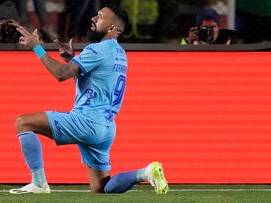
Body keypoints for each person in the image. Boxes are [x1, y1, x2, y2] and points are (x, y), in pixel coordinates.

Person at [9, 4, 169, 194]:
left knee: (23, 123)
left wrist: (37, 47)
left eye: (100, 16)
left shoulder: (97, 49)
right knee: (101, 188)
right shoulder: (119, 53)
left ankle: (39, 183)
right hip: (106, 129)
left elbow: (60, 75)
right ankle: (145, 173)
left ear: (112, 28)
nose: (93, 18)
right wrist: (71, 59)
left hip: (86, 121)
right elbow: (96, 80)